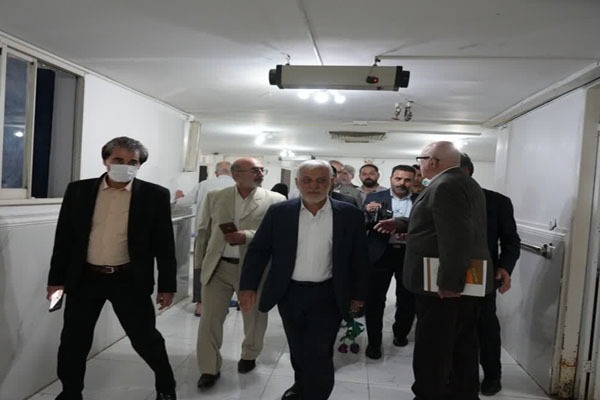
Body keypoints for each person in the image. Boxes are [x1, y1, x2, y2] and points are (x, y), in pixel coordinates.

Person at [47, 136, 177, 400]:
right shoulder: (79, 191)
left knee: (145, 339)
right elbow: (64, 239)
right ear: (105, 160)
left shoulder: (154, 195)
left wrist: (167, 285)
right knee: (73, 341)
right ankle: (70, 392)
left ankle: (166, 386)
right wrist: (56, 281)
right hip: (85, 278)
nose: (125, 166)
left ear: (139, 165)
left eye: (132, 162)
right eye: (118, 159)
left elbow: (164, 245)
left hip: (129, 279)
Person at [238, 160, 369, 400]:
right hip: (290, 293)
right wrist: (247, 286)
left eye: (321, 180)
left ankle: (315, 394)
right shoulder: (280, 212)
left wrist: (359, 294)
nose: (314, 186)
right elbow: (259, 250)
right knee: (297, 349)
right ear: (297, 183)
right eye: (307, 180)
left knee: (319, 352)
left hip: (329, 294)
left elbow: (360, 257)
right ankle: (301, 386)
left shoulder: (349, 214)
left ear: (331, 183)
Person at [400, 141, 493, 399]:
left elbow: (456, 237)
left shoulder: (445, 185)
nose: (419, 165)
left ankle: (429, 394)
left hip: (442, 288)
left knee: (434, 349)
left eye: (420, 159)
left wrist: (450, 282)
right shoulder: (463, 182)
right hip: (458, 284)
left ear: (432, 161)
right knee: (461, 345)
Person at [195, 157, 285, 389]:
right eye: (254, 170)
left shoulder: (275, 200)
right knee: (209, 319)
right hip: (218, 266)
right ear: (236, 174)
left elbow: (276, 235)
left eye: (262, 170)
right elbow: (204, 230)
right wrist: (199, 265)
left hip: (253, 269)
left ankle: (249, 354)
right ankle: (208, 368)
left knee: (254, 317)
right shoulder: (216, 196)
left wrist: (247, 235)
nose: (260, 174)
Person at [460, 153, 521, 396]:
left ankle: (492, 375)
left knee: (485, 325)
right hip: (441, 272)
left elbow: (510, 240)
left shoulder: (496, 201)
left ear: (466, 172)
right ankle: (458, 375)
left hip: (480, 272)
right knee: (451, 326)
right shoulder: (434, 198)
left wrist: (505, 266)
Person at [363, 165, 418, 360]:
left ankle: (400, 334)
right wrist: (366, 211)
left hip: (409, 255)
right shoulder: (374, 197)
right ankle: (374, 343)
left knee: (407, 299)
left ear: (413, 181)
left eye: (407, 180)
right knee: (374, 301)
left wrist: (411, 233)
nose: (402, 183)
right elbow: (364, 224)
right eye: (398, 179)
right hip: (380, 254)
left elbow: (428, 227)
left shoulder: (421, 200)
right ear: (391, 179)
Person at [175, 161, 235, 317]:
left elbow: (184, 203)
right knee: (227, 267)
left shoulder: (204, 185)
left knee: (201, 267)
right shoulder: (238, 186)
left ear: (216, 173)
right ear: (232, 172)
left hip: (205, 233)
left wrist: (179, 197)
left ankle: (200, 304)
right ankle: (224, 302)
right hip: (230, 234)